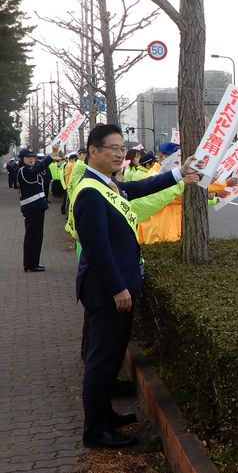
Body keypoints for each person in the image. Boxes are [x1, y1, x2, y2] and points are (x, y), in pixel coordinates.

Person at [72, 124, 202, 449]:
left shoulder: (107, 184)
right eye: (112, 148)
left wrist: (177, 174)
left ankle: (106, 417)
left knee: (111, 357)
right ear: (94, 151)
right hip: (106, 293)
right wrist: (118, 288)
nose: (119, 153)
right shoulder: (89, 192)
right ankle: (96, 431)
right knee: (101, 362)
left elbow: (141, 188)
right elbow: (97, 247)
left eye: (121, 147)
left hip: (114, 289)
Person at [17, 146, 57, 272]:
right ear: (22, 159)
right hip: (32, 208)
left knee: (36, 237)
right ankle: (30, 264)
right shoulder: (24, 170)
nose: (32, 159)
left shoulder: (29, 169)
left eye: (33, 157)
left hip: (37, 207)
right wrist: (51, 156)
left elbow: (39, 169)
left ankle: (32, 262)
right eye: (28, 157)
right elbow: (37, 169)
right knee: (33, 237)